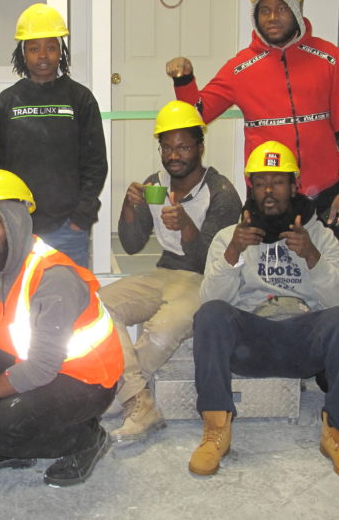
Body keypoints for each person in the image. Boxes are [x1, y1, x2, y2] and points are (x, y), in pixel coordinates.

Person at [188, 140, 339, 480]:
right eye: (259, 182)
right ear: (250, 188)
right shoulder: (230, 236)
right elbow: (210, 299)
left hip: (303, 337)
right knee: (210, 314)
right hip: (252, 338)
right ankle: (215, 429)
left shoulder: (322, 236)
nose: (269, 190)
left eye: (278, 181)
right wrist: (233, 255)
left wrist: (312, 256)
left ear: (294, 185)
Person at [0, 169, 123, 487]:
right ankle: (12, 447)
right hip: (39, 366)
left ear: (16, 222)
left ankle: (87, 438)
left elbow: (40, 368)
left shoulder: (52, 276)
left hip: (87, 381)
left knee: (1, 426)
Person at [166, 0, 339, 232]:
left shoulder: (330, 59)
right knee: (266, 272)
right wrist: (184, 80)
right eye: (264, 10)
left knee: (327, 270)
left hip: (327, 195)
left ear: (297, 9)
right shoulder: (240, 67)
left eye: (281, 8)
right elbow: (197, 114)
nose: (272, 17)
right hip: (266, 196)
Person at [99, 101, 241, 443]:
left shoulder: (222, 193)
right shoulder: (156, 184)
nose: (174, 155)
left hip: (205, 280)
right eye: (166, 147)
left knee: (162, 330)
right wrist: (129, 207)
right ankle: (137, 401)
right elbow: (132, 245)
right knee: (97, 305)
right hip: (164, 273)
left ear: (200, 148)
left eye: (183, 147)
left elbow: (221, 262)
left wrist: (188, 228)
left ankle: (122, 397)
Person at [0, 3, 107, 266]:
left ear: (61, 52)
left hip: (68, 228)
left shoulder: (80, 99)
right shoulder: (8, 101)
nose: (43, 55)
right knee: (22, 301)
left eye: (51, 47)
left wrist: (81, 218)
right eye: (34, 48)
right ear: (23, 54)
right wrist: (5, 216)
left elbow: (95, 163)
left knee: (69, 301)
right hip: (19, 228)